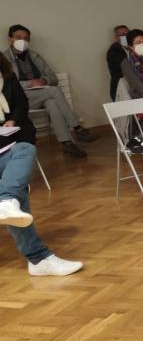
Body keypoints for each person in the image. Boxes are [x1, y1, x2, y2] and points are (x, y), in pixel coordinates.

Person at [0, 54, 83, 276]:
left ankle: (6, 201)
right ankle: (38, 259)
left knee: (25, 149)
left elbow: (21, 104)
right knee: (15, 193)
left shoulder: (7, 78)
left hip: (5, 143)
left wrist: (12, 121)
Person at [4, 25, 95, 157]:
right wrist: (30, 83)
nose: (22, 41)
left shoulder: (34, 56)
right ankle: (77, 128)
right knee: (54, 91)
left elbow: (53, 77)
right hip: (21, 100)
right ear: (10, 39)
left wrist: (44, 81)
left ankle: (67, 143)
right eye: (18, 38)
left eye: (26, 38)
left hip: (41, 94)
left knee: (52, 102)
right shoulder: (4, 59)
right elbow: (9, 85)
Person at [106, 24, 130, 101]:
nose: (126, 36)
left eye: (128, 34)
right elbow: (124, 68)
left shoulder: (134, 48)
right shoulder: (113, 51)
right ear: (117, 37)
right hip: (120, 89)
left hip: (133, 89)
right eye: (123, 34)